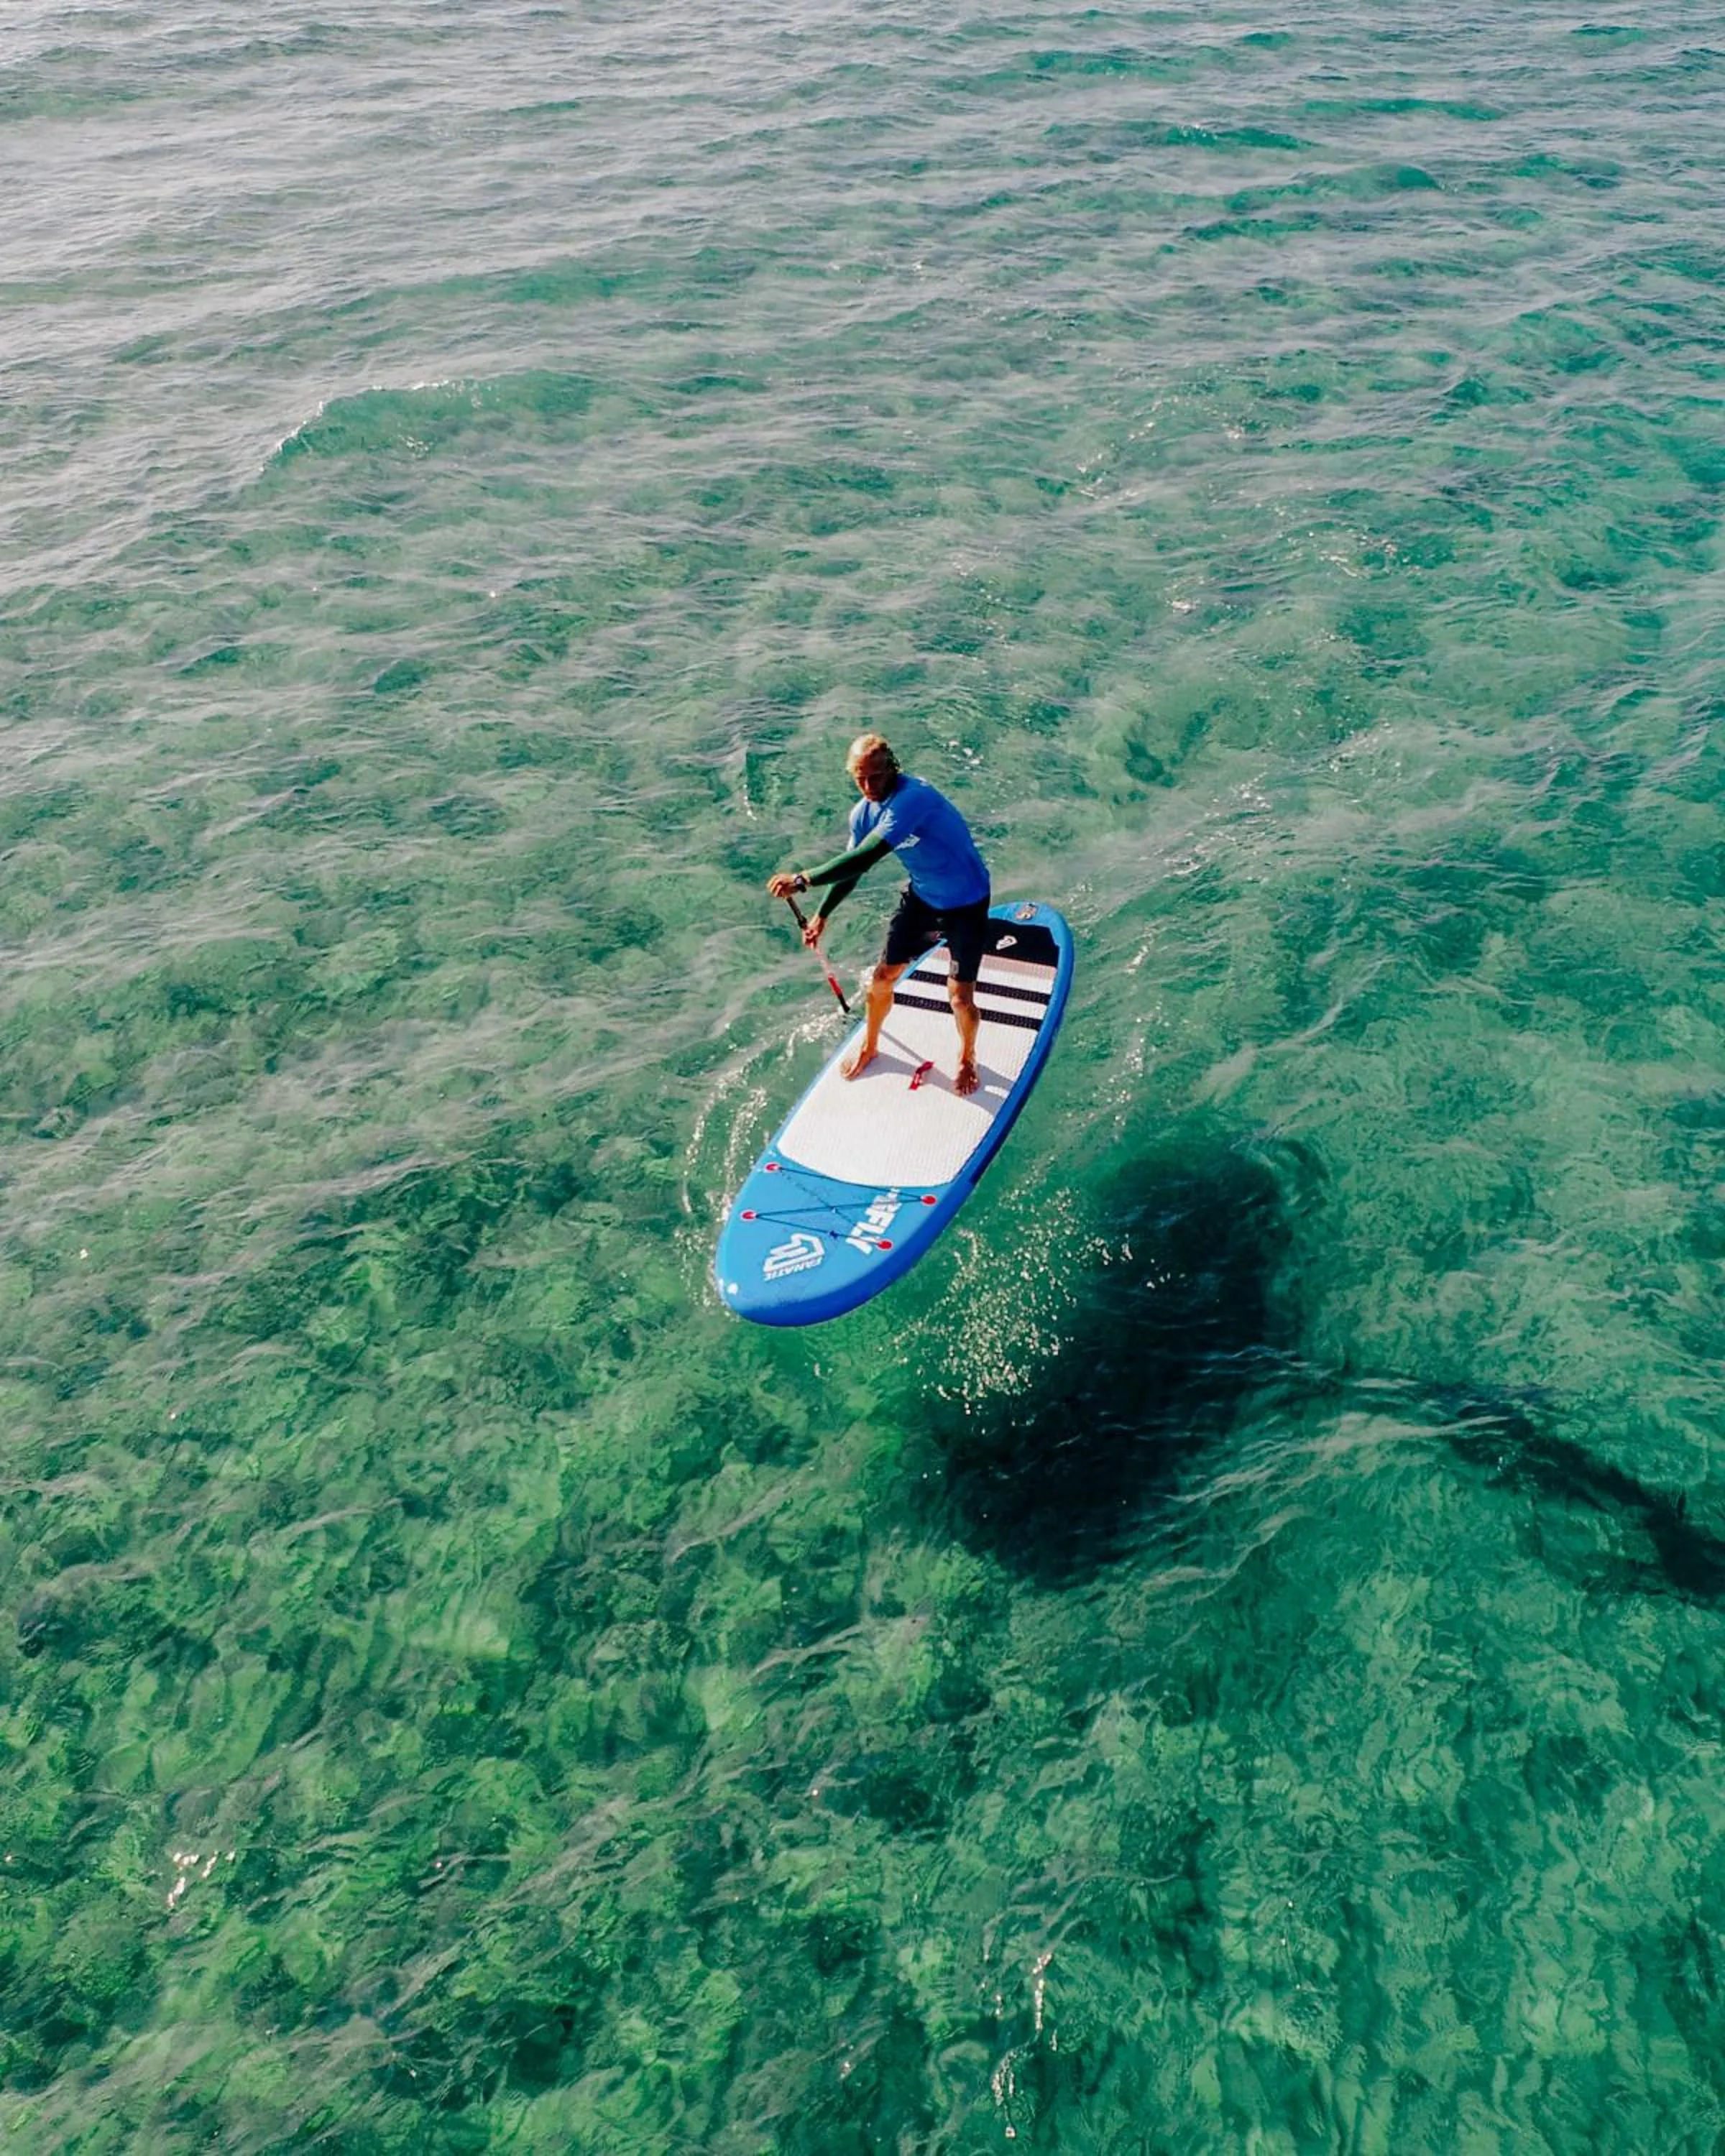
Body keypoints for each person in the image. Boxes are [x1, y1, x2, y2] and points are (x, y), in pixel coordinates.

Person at [768, 734, 991, 1097]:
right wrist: (822, 915)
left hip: (968, 902)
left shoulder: (913, 798)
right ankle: (871, 1044)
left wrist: (801, 879)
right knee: (881, 979)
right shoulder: (863, 814)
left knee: (959, 998)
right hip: (923, 899)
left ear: (893, 767)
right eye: (860, 778)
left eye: (875, 776)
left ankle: (967, 1057)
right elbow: (851, 870)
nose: (869, 786)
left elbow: (867, 856)